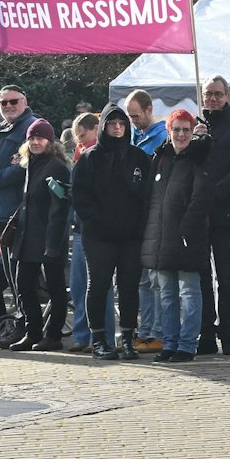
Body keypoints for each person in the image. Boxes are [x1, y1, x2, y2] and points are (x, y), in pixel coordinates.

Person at [70, 105, 151, 360]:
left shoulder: (138, 157)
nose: (117, 127)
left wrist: (140, 225)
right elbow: (80, 196)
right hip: (98, 236)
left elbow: (148, 195)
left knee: (128, 287)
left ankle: (127, 338)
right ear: (103, 125)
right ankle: (98, 340)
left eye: (122, 123)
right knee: (99, 286)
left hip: (131, 235)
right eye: (112, 123)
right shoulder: (89, 157)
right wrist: (96, 221)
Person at [141, 110, 211, 363]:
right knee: (166, 294)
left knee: (189, 293)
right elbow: (150, 199)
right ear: (168, 132)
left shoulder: (198, 159)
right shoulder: (160, 160)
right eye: (176, 129)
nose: (181, 134)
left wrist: (186, 229)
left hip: (186, 237)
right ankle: (170, 342)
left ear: (192, 132)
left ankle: (187, 344)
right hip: (160, 238)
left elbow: (200, 198)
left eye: (186, 130)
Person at [193, 76, 230, 355]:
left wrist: (217, 191)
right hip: (198, 213)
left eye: (218, 94)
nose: (213, 99)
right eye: (209, 94)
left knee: (226, 277)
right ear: (203, 96)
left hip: (225, 211)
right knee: (202, 275)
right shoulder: (196, 126)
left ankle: (227, 333)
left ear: (227, 96)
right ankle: (206, 332)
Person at [4, 120, 71, 352]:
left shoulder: (57, 167)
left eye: (40, 138)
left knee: (55, 287)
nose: (35, 142)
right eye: (32, 138)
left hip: (49, 237)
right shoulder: (30, 165)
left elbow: (60, 208)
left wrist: (53, 243)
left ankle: (53, 335)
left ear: (50, 142)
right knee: (23, 285)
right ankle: (33, 332)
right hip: (28, 236)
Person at [124, 90, 168, 354]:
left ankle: (158, 331)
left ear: (149, 109)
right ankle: (147, 328)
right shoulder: (133, 137)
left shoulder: (161, 138)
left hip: (154, 216)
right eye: (130, 116)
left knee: (155, 279)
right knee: (142, 279)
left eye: (136, 115)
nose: (132, 121)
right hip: (136, 218)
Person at [0, 85, 43, 232]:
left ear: (25, 102)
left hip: (22, 212)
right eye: (3, 103)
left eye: (13, 101)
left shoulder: (33, 127)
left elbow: (33, 164)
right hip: (1, 213)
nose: (8, 106)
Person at [64, 112, 101, 352]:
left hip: (95, 227)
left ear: (96, 129)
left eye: (83, 135)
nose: (80, 141)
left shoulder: (98, 155)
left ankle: (97, 334)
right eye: (77, 137)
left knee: (94, 284)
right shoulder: (81, 155)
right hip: (78, 225)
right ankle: (82, 335)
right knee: (78, 284)